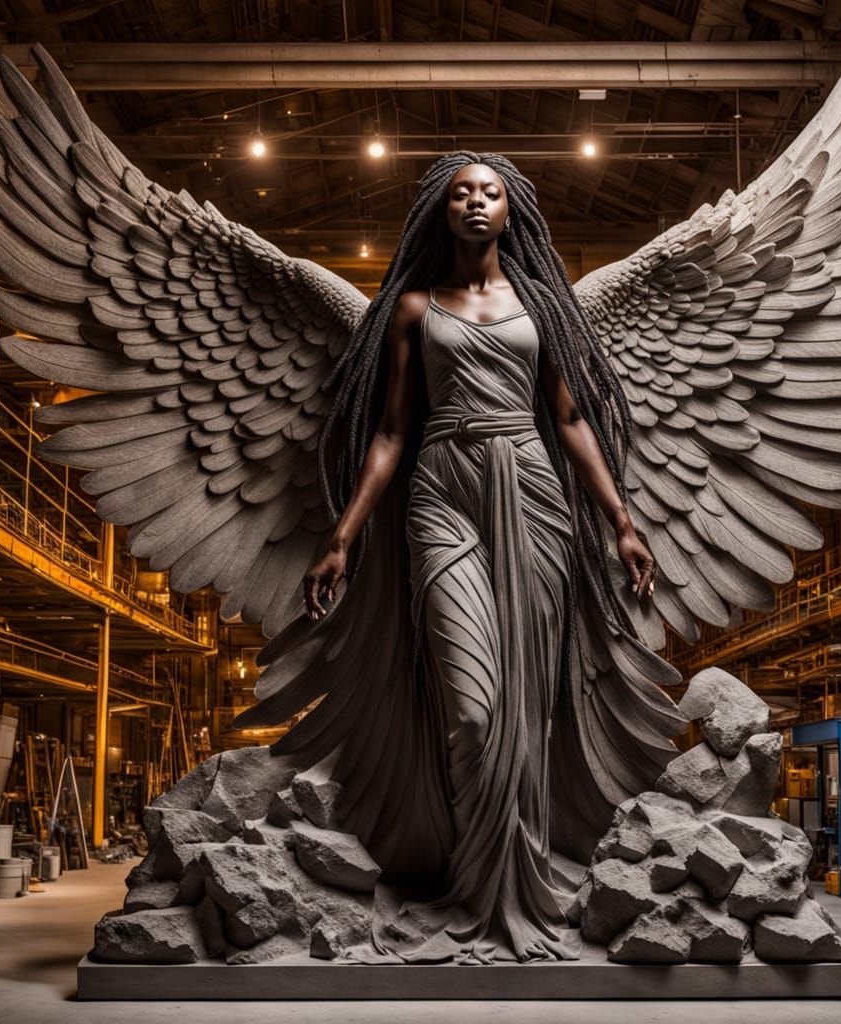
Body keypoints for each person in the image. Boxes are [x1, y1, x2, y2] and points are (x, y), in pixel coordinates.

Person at [275, 151, 672, 962]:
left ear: (512, 209)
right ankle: (473, 889)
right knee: (473, 709)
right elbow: (389, 432)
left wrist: (623, 522)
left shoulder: (545, 310)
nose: (477, 203)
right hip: (441, 495)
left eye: (491, 192)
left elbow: (570, 421)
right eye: (462, 194)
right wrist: (341, 538)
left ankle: (514, 895)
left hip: (531, 496)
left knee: (528, 710)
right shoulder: (415, 309)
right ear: (440, 212)